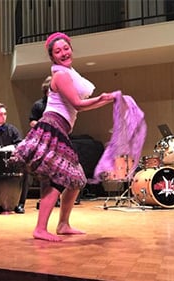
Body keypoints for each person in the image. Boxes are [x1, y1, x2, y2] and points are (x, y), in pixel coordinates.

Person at [12, 32, 115, 241]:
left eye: (65, 48)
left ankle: (63, 223)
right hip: (53, 127)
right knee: (59, 179)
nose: (63, 53)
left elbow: (77, 106)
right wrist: (102, 98)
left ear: (71, 49)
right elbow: (78, 104)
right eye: (58, 51)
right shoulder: (61, 75)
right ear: (53, 57)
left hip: (60, 128)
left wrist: (104, 101)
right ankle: (40, 228)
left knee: (76, 179)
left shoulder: (68, 73)